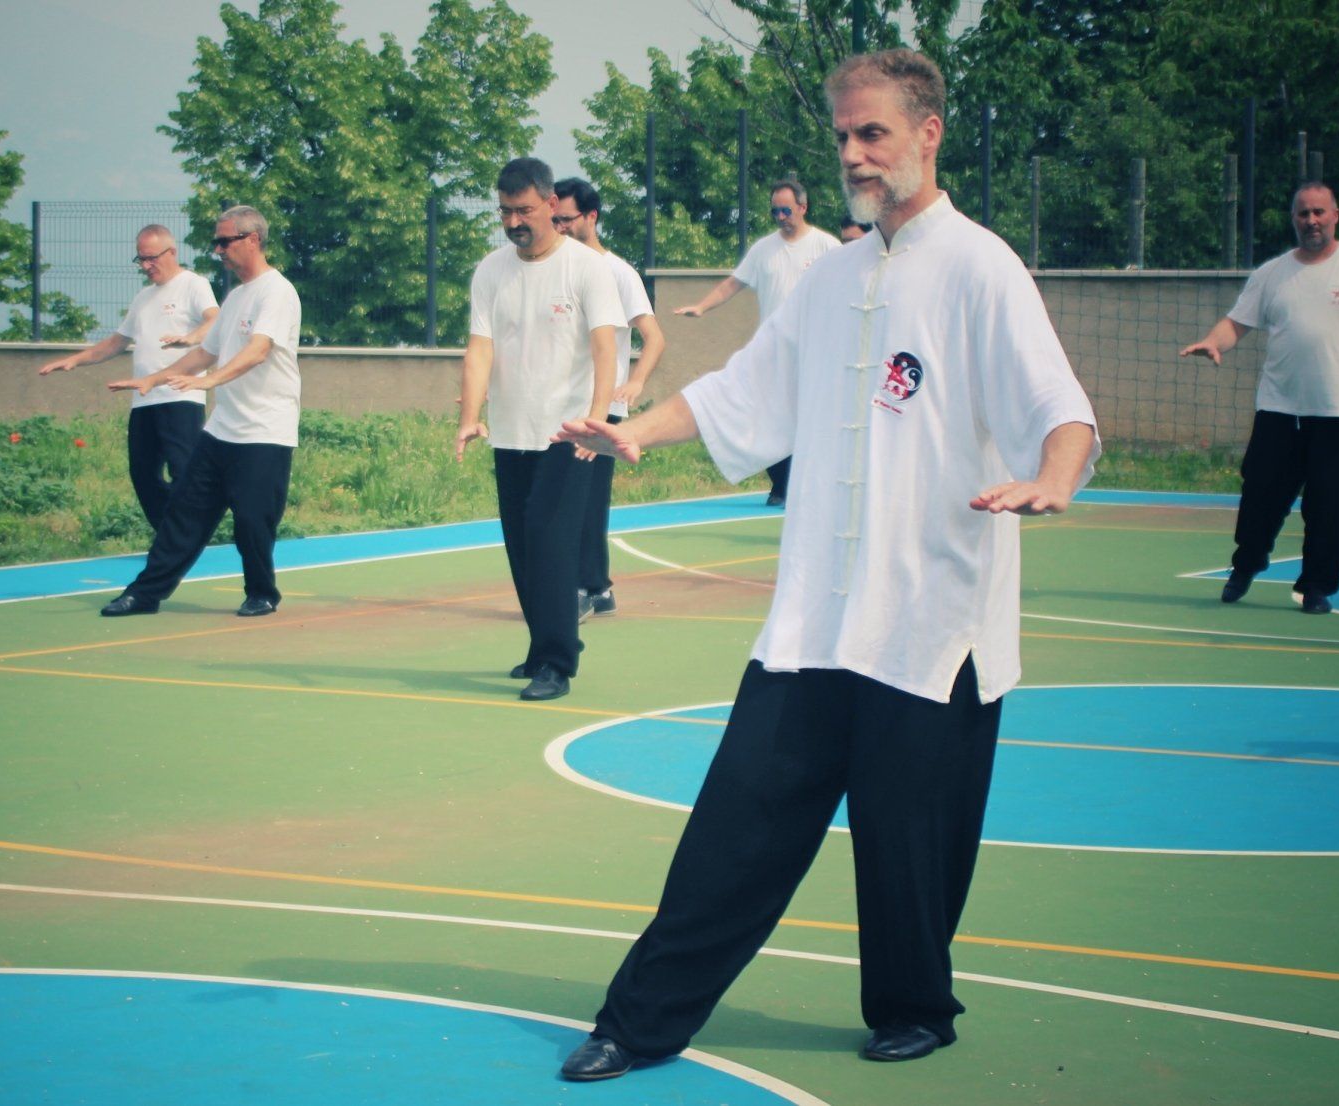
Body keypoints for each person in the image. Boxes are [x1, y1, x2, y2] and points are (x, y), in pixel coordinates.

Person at [553, 49, 1098, 1080]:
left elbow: (1057, 404)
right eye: (844, 136)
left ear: (928, 133)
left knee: (910, 844)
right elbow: (743, 388)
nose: (852, 154)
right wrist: (634, 431)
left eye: (872, 133)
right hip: (816, 618)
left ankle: (915, 1007)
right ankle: (639, 1020)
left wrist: (1055, 477)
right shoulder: (829, 279)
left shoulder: (982, 268)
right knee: (735, 827)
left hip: (933, 619)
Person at [1181, 182, 1339, 613]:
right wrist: (1214, 342)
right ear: (1294, 219)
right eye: (1303, 213)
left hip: (1338, 410)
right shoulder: (1271, 274)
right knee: (1260, 496)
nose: (1311, 221)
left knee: (1327, 506)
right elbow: (1235, 324)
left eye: (1319, 212)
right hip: (1279, 409)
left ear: (1335, 216)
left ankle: (1316, 588)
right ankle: (1246, 566)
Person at [455, 158, 623, 701]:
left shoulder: (587, 268)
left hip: (567, 433)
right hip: (511, 432)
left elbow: (605, 349)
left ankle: (557, 662)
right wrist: (470, 416)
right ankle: (539, 647)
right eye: (505, 212)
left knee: (551, 545)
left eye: (523, 210)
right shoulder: (491, 270)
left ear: (551, 205)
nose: (513, 222)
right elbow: (480, 349)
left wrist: (595, 421)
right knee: (523, 547)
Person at [98, 206, 301, 619]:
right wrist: (154, 379)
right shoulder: (236, 296)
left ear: (252, 240)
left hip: (265, 430)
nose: (218, 250)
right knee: (184, 513)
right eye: (216, 242)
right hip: (221, 430)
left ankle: (261, 593)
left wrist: (212, 381)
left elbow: (258, 350)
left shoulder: (277, 292)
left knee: (252, 521)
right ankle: (145, 594)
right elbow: (206, 353)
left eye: (225, 241)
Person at [38, 225, 218, 530]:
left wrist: (191, 338)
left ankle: (188, 534)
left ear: (172, 252)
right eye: (141, 259)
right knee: (142, 473)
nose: (146, 266)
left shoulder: (193, 284)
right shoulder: (143, 297)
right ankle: (169, 533)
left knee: (183, 470)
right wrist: (75, 360)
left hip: (180, 395)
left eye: (152, 258)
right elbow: (117, 342)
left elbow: (215, 320)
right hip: (144, 399)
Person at [675, 179, 839, 506]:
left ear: (803, 208)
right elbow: (732, 284)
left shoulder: (826, 246)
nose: (781, 217)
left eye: (786, 210)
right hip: (773, 352)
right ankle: (781, 486)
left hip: (814, 351)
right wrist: (702, 306)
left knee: (811, 419)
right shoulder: (764, 249)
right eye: (775, 211)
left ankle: (809, 485)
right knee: (770, 418)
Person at [552, 177, 667, 621]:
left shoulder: (618, 272)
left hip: (603, 408)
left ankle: (587, 587)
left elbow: (653, 337)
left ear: (591, 217)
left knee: (583, 500)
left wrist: (635, 381)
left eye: (567, 219)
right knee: (565, 498)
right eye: (555, 220)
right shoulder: (559, 269)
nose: (559, 227)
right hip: (563, 405)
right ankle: (598, 588)